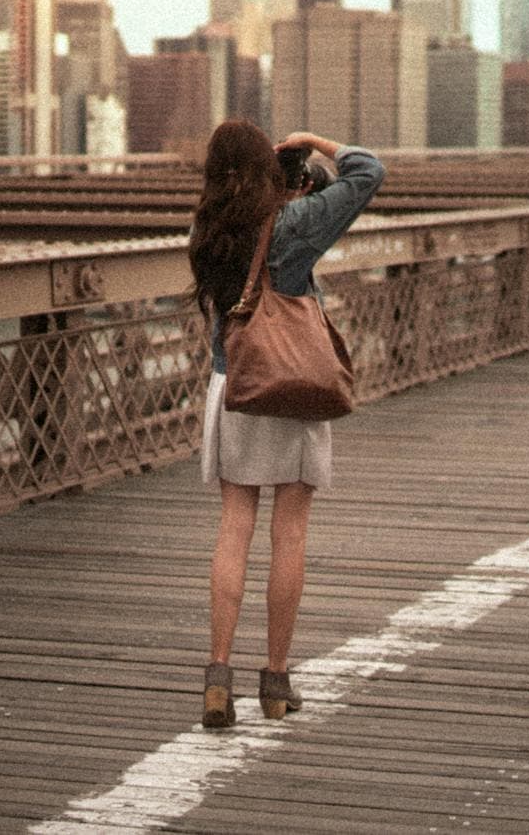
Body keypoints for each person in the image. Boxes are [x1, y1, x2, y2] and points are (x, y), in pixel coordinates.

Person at [187, 120, 384, 728]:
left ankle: (218, 679)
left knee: (234, 527)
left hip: (236, 384)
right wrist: (313, 144)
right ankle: (274, 681)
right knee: (289, 533)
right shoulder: (293, 225)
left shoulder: (206, 227)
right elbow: (366, 173)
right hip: (291, 387)